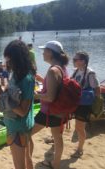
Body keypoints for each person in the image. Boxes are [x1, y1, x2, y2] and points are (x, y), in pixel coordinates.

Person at [0, 40, 36, 169]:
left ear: (17, 58)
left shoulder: (26, 78)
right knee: (27, 160)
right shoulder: (17, 74)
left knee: (20, 165)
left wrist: (2, 95)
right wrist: (1, 90)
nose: (7, 62)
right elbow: (13, 94)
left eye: (9, 59)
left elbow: (22, 111)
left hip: (18, 128)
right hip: (17, 125)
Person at [32, 40, 69, 169]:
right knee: (57, 137)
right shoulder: (62, 68)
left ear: (50, 53)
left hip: (49, 112)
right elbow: (56, 88)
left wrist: (34, 95)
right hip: (60, 111)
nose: (42, 53)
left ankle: (27, 162)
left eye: (44, 51)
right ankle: (56, 164)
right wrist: (43, 81)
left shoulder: (53, 70)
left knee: (25, 134)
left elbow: (50, 97)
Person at [71, 52, 100, 158]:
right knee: (77, 127)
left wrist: (97, 104)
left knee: (79, 127)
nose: (73, 61)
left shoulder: (90, 73)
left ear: (83, 61)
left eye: (75, 59)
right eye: (74, 59)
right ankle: (80, 146)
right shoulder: (76, 71)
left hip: (84, 104)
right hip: (76, 102)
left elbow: (97, 89)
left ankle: (80, 149)